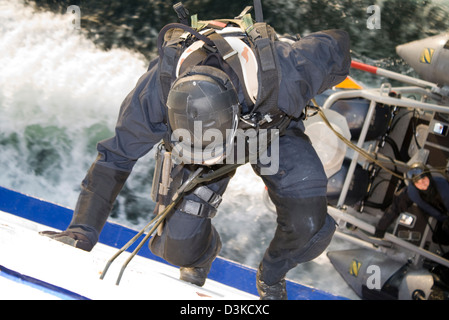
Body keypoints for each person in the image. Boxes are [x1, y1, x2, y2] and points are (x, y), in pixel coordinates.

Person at [40, 7, 351, 299]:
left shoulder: (288, 72)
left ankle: (271, 274)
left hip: (270, 130)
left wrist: (309, 80)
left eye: (209, 149)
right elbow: (115, 158)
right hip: (198, 151)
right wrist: (82, 231)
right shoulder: (154, 95)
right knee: (175, 247)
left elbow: (338, 43)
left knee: (310, 227)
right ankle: (202, 254)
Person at [375, 163, 449, 246]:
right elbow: (395, 208)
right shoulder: (411, 193)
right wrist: (381, 228)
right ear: (414, 184)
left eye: (424, 179)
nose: (423, 184)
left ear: (428, 176)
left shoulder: (442, 183)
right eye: (418, 182)